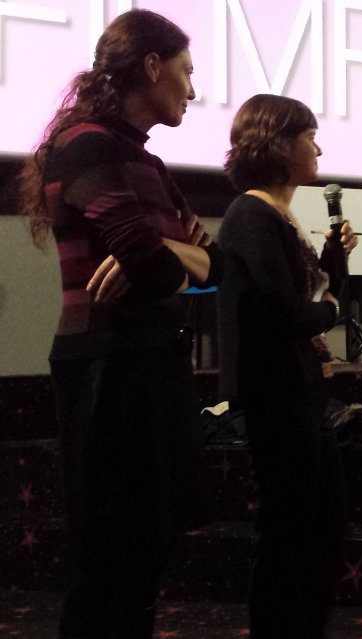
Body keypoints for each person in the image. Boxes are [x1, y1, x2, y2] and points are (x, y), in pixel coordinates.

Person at [19, 10, 223, 638]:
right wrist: (169, 258)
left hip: (151, 357)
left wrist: (170, 254)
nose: (193, 89)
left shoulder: (149, 165)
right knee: (109, 551)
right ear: (152, 66)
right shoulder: (87, 145)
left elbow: (212, 267)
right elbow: (154, 266)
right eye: (187, 71)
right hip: (106, 363)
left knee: (152, 540)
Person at [215, 93, 358, 639]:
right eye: (310, 137)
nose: (318, 149)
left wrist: (334, 263)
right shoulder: (251, 215)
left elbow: (311, 298)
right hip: (275, 395)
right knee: (287, 531)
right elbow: (286, 313)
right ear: (278, 144)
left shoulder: (276, 214)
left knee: (324, 520)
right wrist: (331, 308)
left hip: (300, 391)